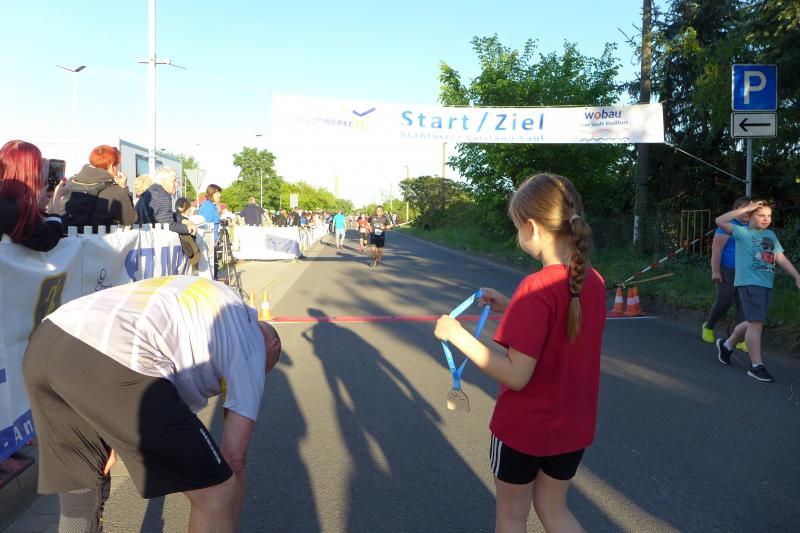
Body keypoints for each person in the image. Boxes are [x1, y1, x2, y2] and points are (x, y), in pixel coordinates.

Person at [23, 276, 282, 533]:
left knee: (81, 490)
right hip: (116, 356)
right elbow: (234, 458)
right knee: (218, 491)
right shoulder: (253, 344)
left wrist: (112, 432)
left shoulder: (217, 298)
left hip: (49, 339)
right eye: (266, 369)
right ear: (272, 345)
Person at [434, 174, 605, 533]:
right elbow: (562, 328)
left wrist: (457, 335)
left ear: (532, 227)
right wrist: (513, 305)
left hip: (524, 430)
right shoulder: (594, 281)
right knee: (554, 509)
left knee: (512, 515)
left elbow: (516, 375)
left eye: (517, 228)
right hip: (572, 425)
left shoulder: (535, 287)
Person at [715, 201, 800, 382]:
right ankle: (756, 366)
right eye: (761, 215)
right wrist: (745, 208)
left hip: (766, 284)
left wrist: (796, 276)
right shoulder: (742, 232)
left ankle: (727, 345)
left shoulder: (770, 235)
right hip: (749, 283)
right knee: (756, 323)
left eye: (768, 216)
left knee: (752, 321)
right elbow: (719, 221)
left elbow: (780, 258)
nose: (766, 219)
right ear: (749, 217)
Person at [701, 197, 751, 350]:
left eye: (750, 211)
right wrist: (715, 271)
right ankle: (708, 326)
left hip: (746, 271)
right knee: (724, 301)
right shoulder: (727, 226)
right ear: (735, 210)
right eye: (744, 210)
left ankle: (741, 339)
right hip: (727, 269)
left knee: (744, 304)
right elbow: (716, 251)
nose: (747, 214)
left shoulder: (752, 226)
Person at [0, 139, 68, 251]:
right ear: (29, 171)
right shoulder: (13, 209)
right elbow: (46, 241)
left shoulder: (8, 202)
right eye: (40, 166)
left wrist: (38, 207)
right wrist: (56, 201)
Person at [61, 145, 137, 227]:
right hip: (100, 235)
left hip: (64, 234)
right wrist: (124, 188)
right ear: (112, 166)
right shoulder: (116, 191)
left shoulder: (69, 183)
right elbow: (130, 220)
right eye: (118, 165)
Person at [137, 167, 197, 236]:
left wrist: (184, 220)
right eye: (174, 181)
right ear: (164, 182)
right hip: (148, 237)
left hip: (141, 232)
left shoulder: (153, 189)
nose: (177, 184)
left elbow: (166, 214)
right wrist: (189, 228)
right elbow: (169, 225)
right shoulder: (163, 196)